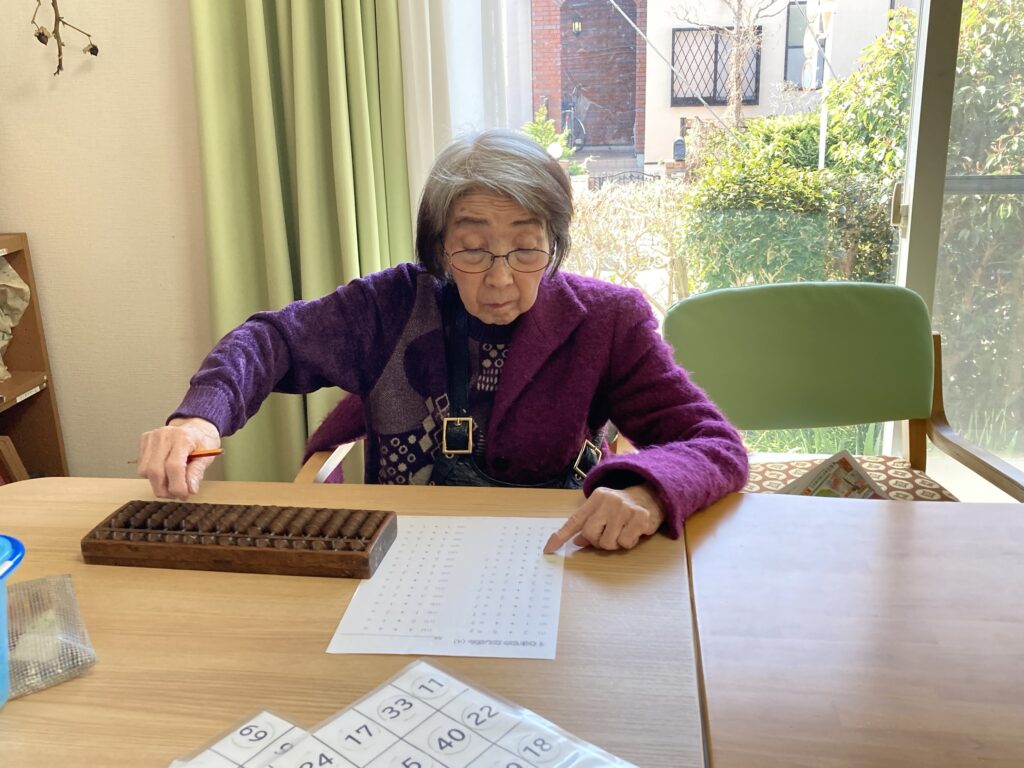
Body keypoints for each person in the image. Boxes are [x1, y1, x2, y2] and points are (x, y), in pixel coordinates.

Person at [138, 129, 748, 553]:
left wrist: (647, 491)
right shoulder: (391, 306)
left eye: (526, 248)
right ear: (439, 247)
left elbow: (714, 443)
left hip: (552, 556)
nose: (501, 279)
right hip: (401, 556)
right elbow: (271, 340)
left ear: (555, 244)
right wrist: (198, 419)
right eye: (473, 249)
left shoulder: (607, 320)